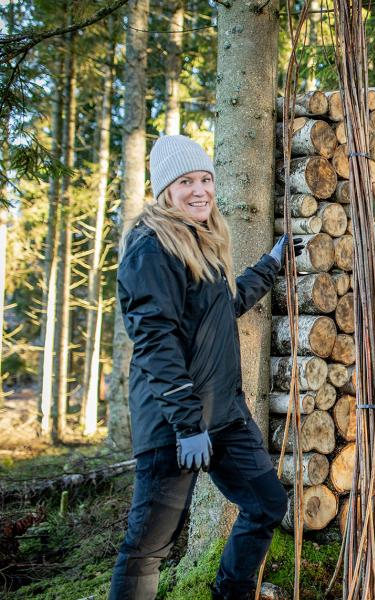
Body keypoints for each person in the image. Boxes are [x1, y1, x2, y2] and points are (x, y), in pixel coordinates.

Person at [108, 134, 303, 600]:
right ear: (165, 191)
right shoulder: (151, 247)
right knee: (148, 546)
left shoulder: (199, 241)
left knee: (266, 503)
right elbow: (156, 342)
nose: (200, 190)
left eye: (206, 179)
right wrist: (186, 424)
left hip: (223, 417)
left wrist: (270, 265)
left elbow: (222, 305)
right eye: (186, 182)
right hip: (175, 422)